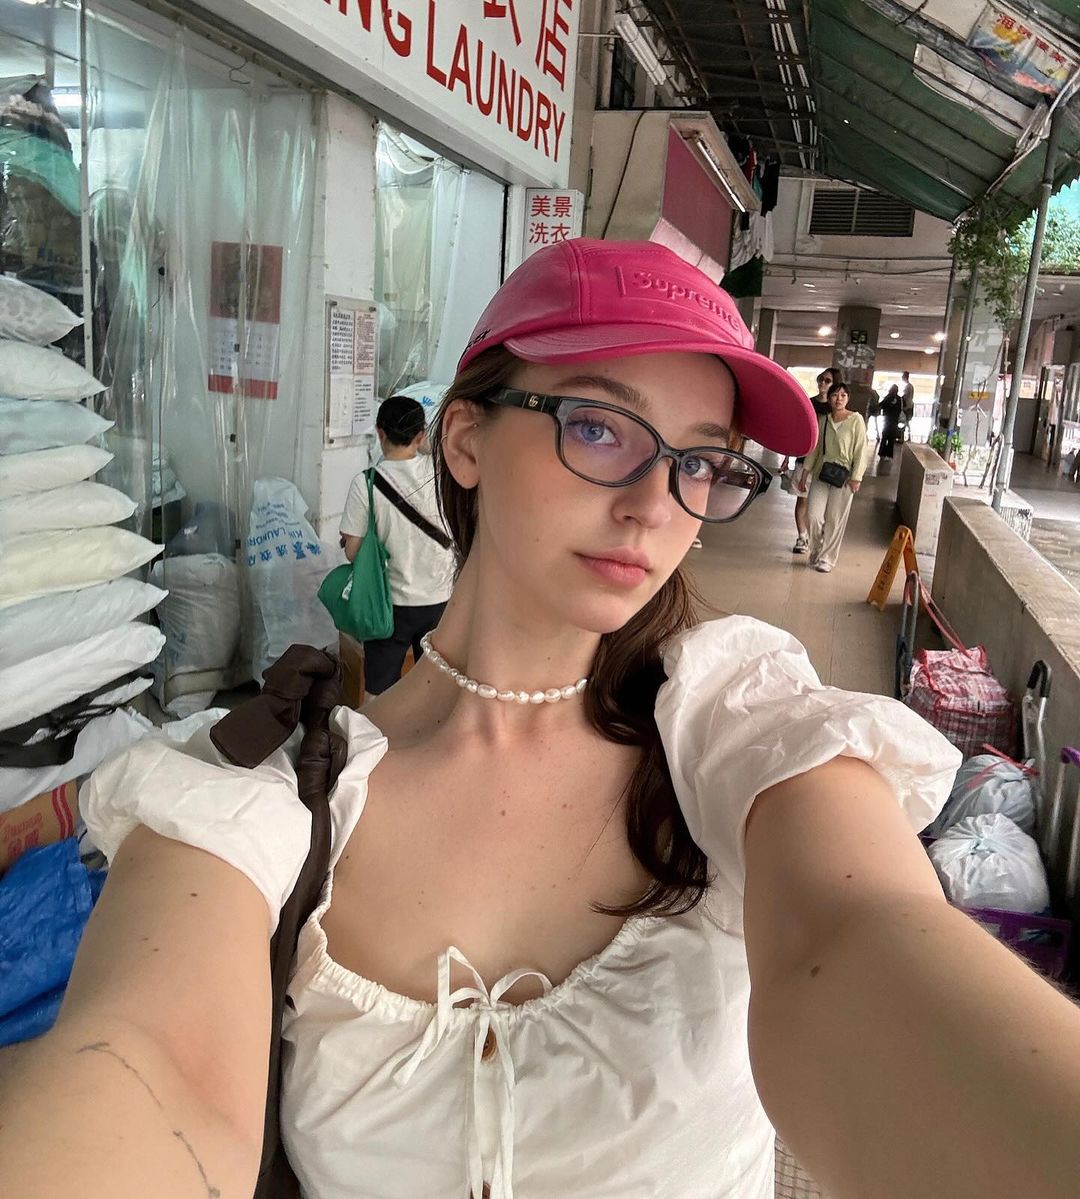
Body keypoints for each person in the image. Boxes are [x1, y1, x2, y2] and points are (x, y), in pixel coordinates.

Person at [6, 239, 1080, 1199]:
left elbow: (859, 942)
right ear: (465, 441)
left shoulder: (740, 732)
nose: (654, 503)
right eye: (600, 428)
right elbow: (149, 1070)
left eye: (701, 460)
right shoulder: (268, 795)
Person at [339, 395, 454, 695]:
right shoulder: (442, 473)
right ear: (421, 435)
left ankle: (379, 727)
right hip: (440, 599)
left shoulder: (366, 483)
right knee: (433, 688)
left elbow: (352, 551)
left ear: (380, 433)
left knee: (379, 690)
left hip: (389, 605)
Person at [800, 381, 868, 573]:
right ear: (829, 399)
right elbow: (815, 450)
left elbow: (861, 450)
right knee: (813, 516)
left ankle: (827, 559)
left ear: (848, 398)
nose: (839, 399)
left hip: (844, 476)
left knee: (834, 519)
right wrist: (805, 473)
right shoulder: (823, 420)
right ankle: (816, 550)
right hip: (822, 473)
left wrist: (856, 477)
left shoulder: (856, 420)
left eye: (843, 395)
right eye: (835, 395)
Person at [791, 366, 837, 555]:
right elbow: (797, 431)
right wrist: (787, 456)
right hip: (804, 458)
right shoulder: (808, 404)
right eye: (821, 379)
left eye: (827, 380)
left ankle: (818, 537)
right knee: (802, 499)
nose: (822, 383)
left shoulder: (836, 410)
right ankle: (802, 537)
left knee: (821, 504)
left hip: (826, 463)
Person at [878, 383, 903, 459]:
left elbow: (881, 405)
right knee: (892, 438)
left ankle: (882, 454)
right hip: (894, 421)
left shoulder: (888, 397)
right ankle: (889, 455)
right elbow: (900, 409)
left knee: (884, 437)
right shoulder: (899, 399)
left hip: (887, 420)